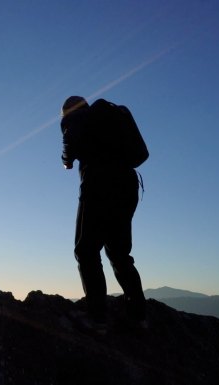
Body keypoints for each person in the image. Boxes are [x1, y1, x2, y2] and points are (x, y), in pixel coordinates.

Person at [60, 95, 146, 328]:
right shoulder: (112, 116)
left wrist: (66, 161)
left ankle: (97, 319)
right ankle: (139, 317)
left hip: (98, 186)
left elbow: (69, 149)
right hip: (128, 187)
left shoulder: (75, 118)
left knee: (86, 251)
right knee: (119, 254)